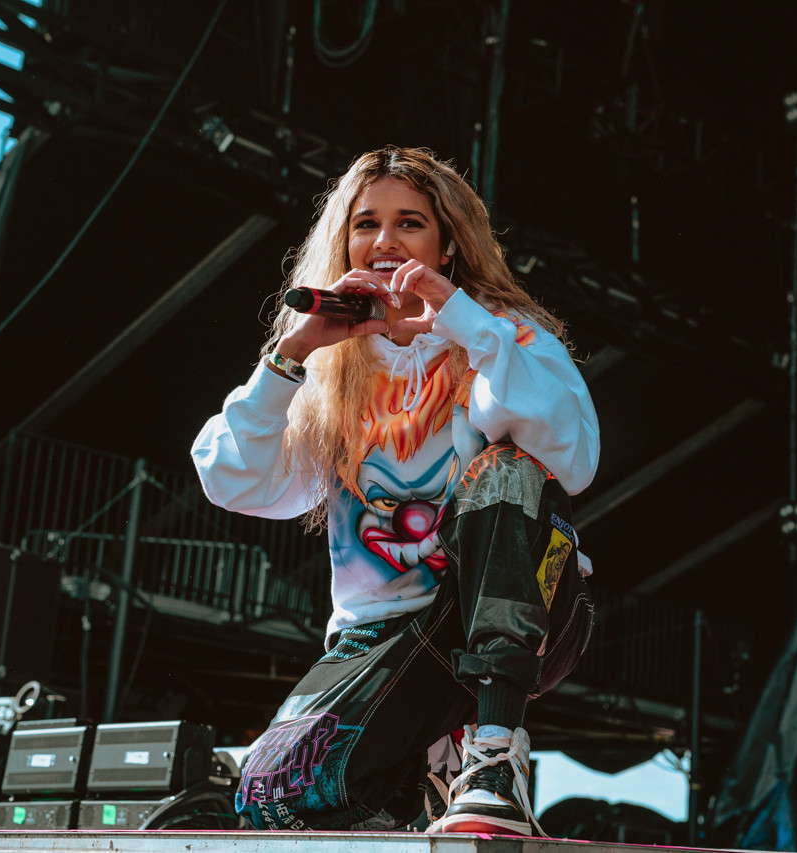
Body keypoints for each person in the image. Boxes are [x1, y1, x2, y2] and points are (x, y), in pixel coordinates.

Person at [191, 146, 599, 835]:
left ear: (448, 245)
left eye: (410, 222)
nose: (384, 241)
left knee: (505, 468)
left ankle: (493, 753)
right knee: (272, 795)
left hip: (514, 604)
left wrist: (467, 324)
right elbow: (234, 478)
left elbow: (570, 456)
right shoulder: (332, 368)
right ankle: (419, 783)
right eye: (366, 224)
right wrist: (291, 353)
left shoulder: (505, 335)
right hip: (381, 636)